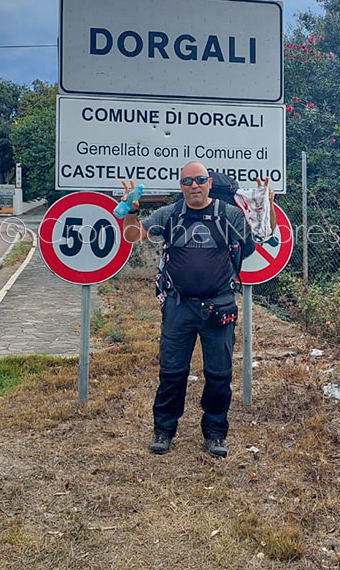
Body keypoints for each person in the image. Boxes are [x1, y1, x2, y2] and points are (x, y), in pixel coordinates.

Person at [121, 161, 274, 458]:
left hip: (219, 305)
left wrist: (265, 208)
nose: (194, 185)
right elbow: (132, 236)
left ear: (208, 183)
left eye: (200, 180)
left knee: (218, 374)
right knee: (172, 372)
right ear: (180, 186)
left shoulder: (229, 214)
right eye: (187, 181)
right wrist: (131, 210)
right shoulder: (171, 214)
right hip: (179, 306)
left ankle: (215, 433)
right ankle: (163, 430)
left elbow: (256, 244)